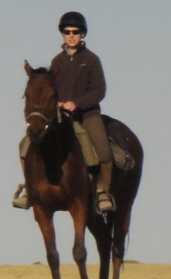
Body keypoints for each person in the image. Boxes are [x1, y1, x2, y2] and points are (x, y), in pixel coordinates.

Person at [13, 11, 115, 213]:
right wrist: (53, 104)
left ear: (82, 34)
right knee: (25, 145)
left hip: (87, 114)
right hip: (60, 116)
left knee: (103, 151)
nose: (71, 35)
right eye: (67, 31)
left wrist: (76, 103)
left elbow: (99, 90)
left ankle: (103, 191)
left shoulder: (92, 60)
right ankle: (30, 189)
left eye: (76, 32)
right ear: (62, 34)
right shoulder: (57, 61)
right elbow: (50, 90)